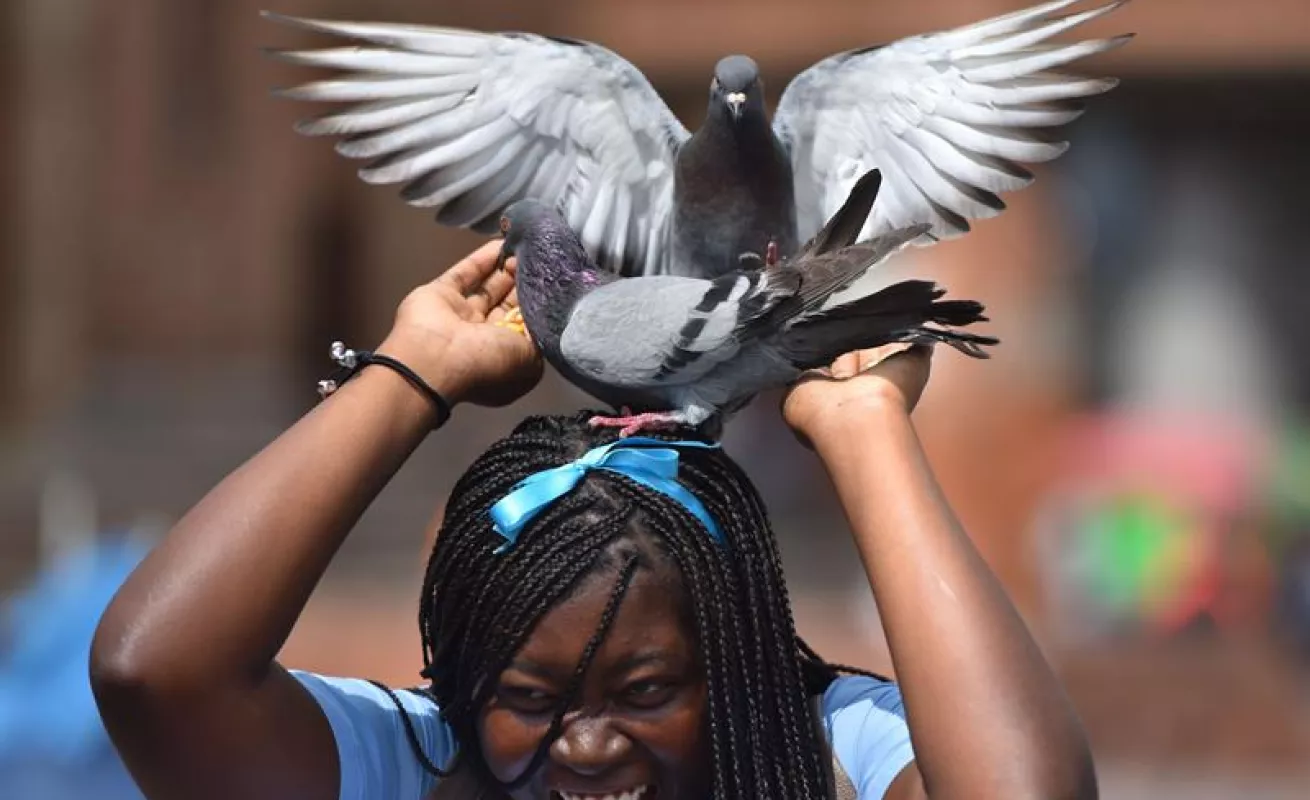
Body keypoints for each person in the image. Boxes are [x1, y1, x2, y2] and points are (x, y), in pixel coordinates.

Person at [90, 242, 1096, 800]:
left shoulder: (829, 753)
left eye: (645, 688)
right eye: (527, 696)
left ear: (739, 660)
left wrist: (862, 429)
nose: (582, 745)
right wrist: (412, 374)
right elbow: (154, 670)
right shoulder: (426, 764)